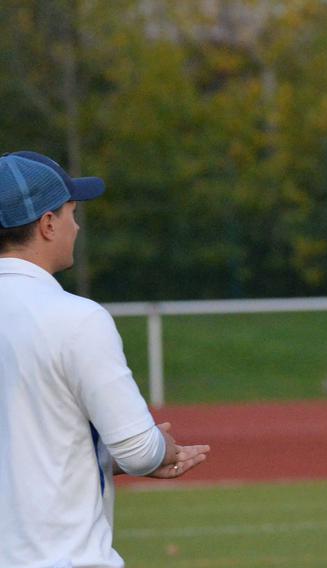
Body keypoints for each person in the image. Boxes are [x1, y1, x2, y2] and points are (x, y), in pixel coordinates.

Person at [0, 150, 210, 568]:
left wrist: (94, 458)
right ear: (46, 224)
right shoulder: (77, 319)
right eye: (71, 212)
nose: (75, 226)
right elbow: (137, 449)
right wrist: (160, 448)